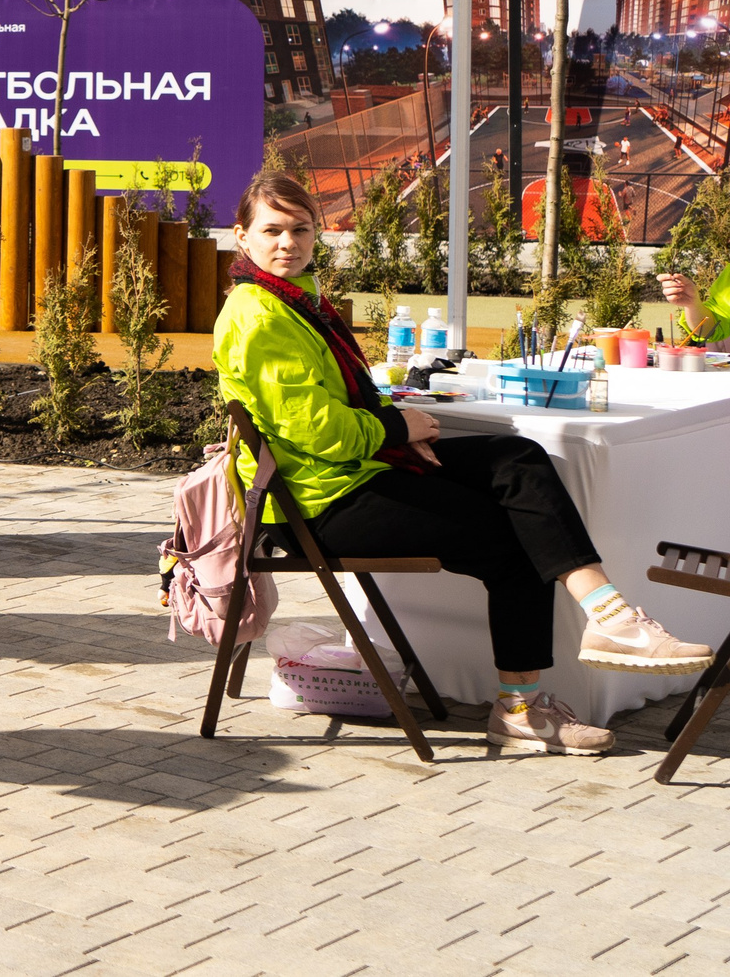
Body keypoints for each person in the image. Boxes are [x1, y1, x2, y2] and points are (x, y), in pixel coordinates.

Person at [219, 168, 711, 755]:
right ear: (241, 236)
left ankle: (611, 617)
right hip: (318, 503)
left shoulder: (299, 299)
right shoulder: (258, 314)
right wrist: (399, 427)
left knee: (515, 458)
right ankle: (521, 711)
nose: (288, 243)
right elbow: (317, 429)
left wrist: (398, 432)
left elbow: (351, 401)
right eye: (272, 230)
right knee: (519, 538)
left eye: (300, 230)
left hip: (355, 471)